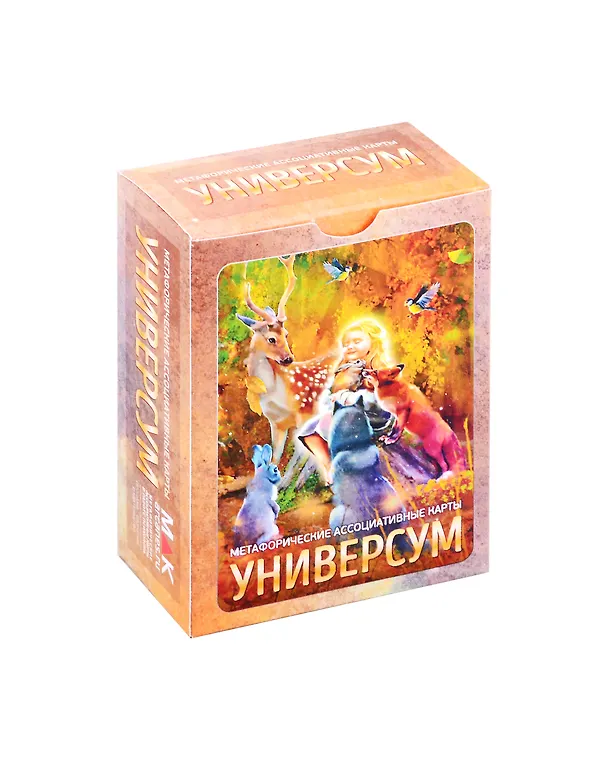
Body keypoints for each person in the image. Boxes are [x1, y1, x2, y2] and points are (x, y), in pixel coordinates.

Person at [298, 318, 396, 483]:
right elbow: (332, 395)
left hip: (374, 418)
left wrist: (346, 397)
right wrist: (336, 396)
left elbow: (377, 402)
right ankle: (330, 466)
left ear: (372, 343)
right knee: (310, 429)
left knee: (330, 424)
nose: (350, 346)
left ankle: (345, 466)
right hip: (351, 414)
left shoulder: (380, 369)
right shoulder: (347, 368)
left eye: (357, 341)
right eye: (346, 344)